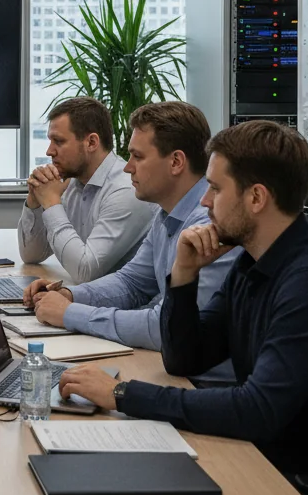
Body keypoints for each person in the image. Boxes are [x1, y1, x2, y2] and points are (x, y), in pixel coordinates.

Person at [57, 121, 308, 484]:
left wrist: (122, 394)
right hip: (277, 458)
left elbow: (257, 409)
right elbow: (184, 359)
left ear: (256, 198)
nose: (204, 201)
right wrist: (184, 273)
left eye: (216, 188)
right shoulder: (253, 260)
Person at [25, 102, 238, 382]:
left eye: (137, 156)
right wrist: (71, 296)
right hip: (175, 370)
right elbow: (131, 282)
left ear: (176, 162)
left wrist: (71, 313)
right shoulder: (167, 214)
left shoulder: (210, 226)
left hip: (202, 386)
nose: (127, 168)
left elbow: (163, 328)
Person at [17, 97, 153, 283]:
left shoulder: (126, 190)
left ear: (91, 142)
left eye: (58, 141)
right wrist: (34, 203)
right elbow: (31, 256)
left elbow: (85, 272)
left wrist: (51, 203)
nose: (49, 151)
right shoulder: (70, 183)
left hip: (120, 306)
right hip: (90, 299)